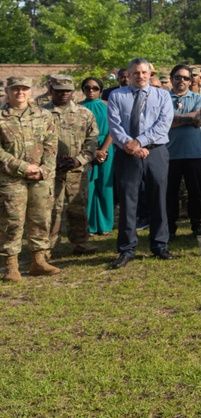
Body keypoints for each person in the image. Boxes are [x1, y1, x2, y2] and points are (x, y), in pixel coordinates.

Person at [107, 57, 175, 268]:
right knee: (128, 202)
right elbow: (115, 125)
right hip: (127, 154)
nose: (141, 76)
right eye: (136, 73)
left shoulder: (162, 95)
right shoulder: (117, 95)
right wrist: (131, 145)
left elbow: (164, 124)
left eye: (144, 72)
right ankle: (127, 249)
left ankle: (159, 245)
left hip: (155, 152)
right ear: (128, 74)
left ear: (150, 74)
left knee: (158, 198)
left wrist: (140, 142)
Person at [0, 76, 59, 281]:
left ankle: (39, 261)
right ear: (8, 91)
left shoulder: (44, 115)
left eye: (24, 89)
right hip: (10, 178)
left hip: (40, 178)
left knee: (41, 218)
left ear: (30, 91)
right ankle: (11, 266)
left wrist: (44, 169)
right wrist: (23, 167)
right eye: (15, 89)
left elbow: (52, 145)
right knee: (12, 221)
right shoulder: (1, 116)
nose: (20, 93)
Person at [43, 74, 99, 256]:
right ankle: (48, 247)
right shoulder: (41, 114)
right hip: (51, 172)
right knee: (51, 209)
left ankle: (81, 242)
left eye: (67, 90)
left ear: (72, 91)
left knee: (78, 207)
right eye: (59, 91)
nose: (63, 94)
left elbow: (92, 140)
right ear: (51, 90)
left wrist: (79, 160)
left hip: (77, 170)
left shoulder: (84, 114)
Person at [166, 64, 201, 239]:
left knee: (195, 192)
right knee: (169, 194)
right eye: (177, 77)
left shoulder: (199, 98)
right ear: (171, 79)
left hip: (194, 153)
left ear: (191, 80)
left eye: (185, 78)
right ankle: (169, 227)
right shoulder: (163, 98)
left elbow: (198, 118)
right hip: (169, 154)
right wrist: (188, 118)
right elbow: (163, 121)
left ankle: (197, 225)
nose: (181, 80)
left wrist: (173, 118)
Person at [80, 77, 115, 235]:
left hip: (106, 147)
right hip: (84, 150)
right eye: (87, 88)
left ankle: (105, 224)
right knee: (88, 186)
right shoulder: (77, 108)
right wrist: (92, 152)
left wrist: (103, 150)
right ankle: (88, 225)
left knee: (105, 185)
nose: (91, 91)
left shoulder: (108, 107)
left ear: (101, 90)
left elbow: (114, 129)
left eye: (95, 88)